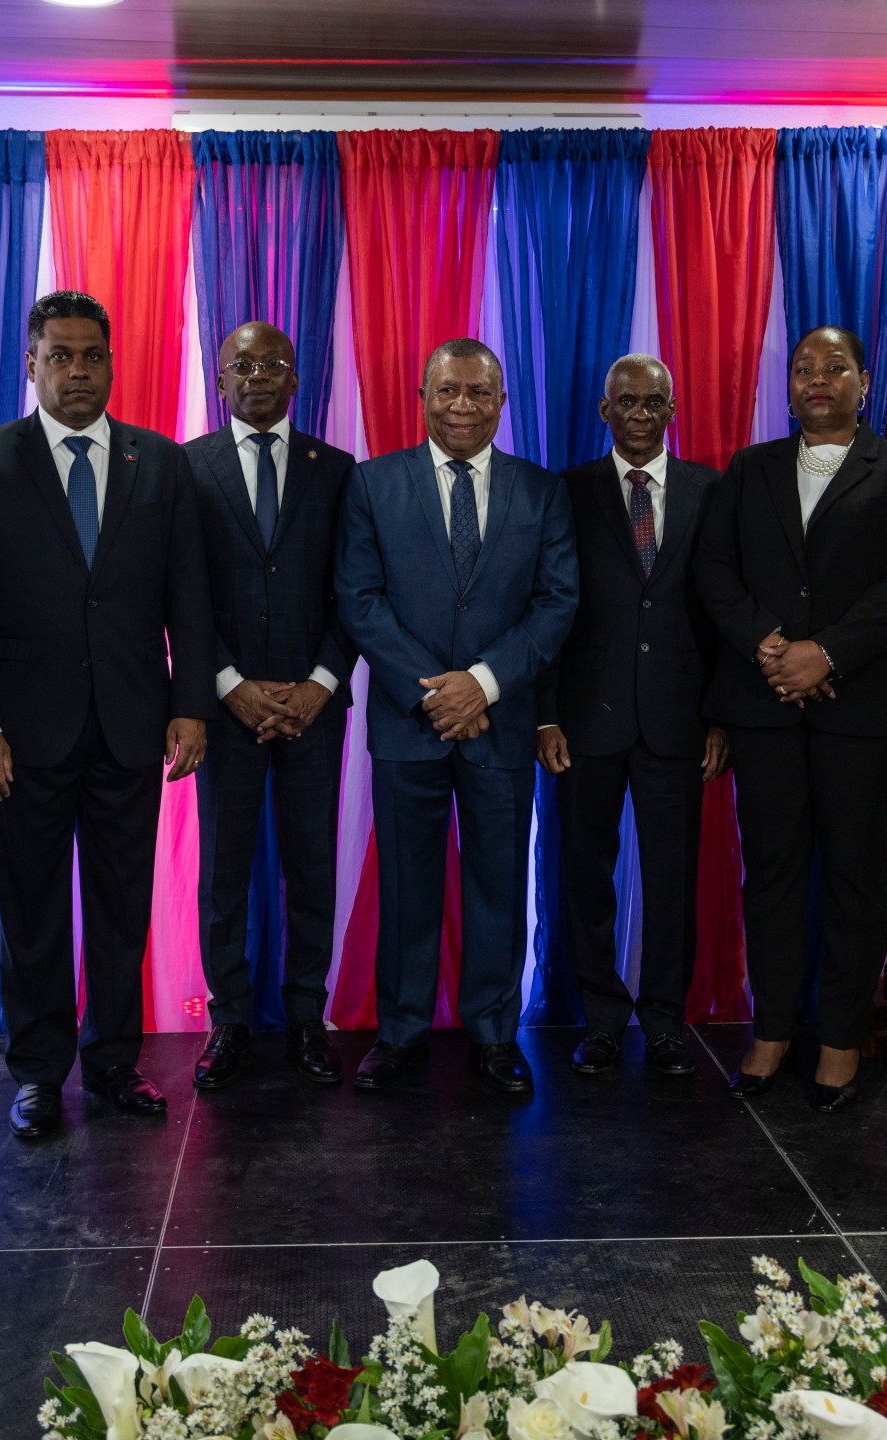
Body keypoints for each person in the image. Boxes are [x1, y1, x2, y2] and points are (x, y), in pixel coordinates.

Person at [0, 290, 211, 1137]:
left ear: (112, 363)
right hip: (21, 736)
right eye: (60, 355)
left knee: (123, 907)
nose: (78, 370)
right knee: (33, 911)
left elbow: (188, 597)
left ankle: (114, 1063)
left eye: (92, 355)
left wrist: (191, 705)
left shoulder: (158, 463)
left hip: (132, 723)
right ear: (33, 364)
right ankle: (38, 1073)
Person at [695, 326, 887, 1112]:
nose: (817, 379)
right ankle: (770, 1032)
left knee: (855, 879)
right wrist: (772, 647)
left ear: (864, 381)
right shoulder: (750, 467)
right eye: (802, 368)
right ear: (789, 386)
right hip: (764, 707)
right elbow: (715, 569)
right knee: (770, 876)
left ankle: (840, 1040)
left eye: (834, 366)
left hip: (859, 711)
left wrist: (825, 654)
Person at [336, 338, 578, 1095]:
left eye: (479, 392)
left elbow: (557, 602)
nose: (464, 406)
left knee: (497, 884)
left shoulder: (541, 491)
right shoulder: (373, 484)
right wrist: (435, 693)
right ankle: (402, 1033)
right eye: (449, 391)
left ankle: (494, 1035)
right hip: (410, 725)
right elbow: (360, 600)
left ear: (503, 403)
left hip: (499, 723)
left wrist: (481, 684)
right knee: (408, 885)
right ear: (423, 395)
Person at [534, 355, 727, 1077]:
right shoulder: (567, 492)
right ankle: (603, 1018)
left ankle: (667, 1025)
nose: (640, 415)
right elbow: (546, 609)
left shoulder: (712, 490)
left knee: (673, 880)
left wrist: (721, 718)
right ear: (603, 410)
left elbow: (724, 613)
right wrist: (544, 715)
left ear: (672, 410)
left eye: (653, 403)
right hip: (585, 722)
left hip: (680, 721)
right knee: (586, 875)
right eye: (626, 403)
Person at [182, 321, 357, 1090]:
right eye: (241, 365)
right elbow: (179, 596)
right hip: (226, 708)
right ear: (219, 380)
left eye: (273, 364)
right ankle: (228, 1023)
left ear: (296, 378)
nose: (257, 376)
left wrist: (320, 682)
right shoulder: (187, 468)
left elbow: (353, 591)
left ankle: (308, 1019)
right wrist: (231, 685)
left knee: (311, 867)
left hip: (314, 708)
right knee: (223, 874)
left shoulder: (338, 470)